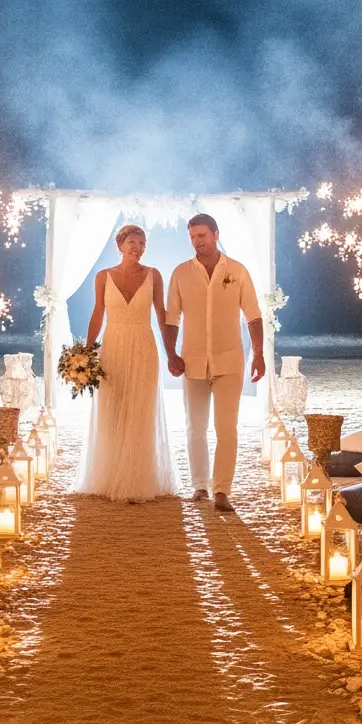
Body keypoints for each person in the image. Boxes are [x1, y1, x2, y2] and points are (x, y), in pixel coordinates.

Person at [164, 213, 265, 508]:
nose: (197, 242)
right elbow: (172, 318)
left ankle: (222, 490)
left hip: (230, 361)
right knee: (195, 427)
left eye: (202, 236)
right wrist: (171, 354)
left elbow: (253, 315)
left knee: (226, 427)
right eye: (193, 237)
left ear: (216, 234)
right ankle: (199, 487)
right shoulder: (181, 273)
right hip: (192, 362)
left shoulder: (237, 270)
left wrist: (257, 354)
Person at [78, 224, 176, 501]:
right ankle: (109, 476)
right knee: (113, 408)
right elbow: (98, 313)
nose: (138, 247)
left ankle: (136, 479)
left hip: (144, 345)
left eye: (142, 243)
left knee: (140, 410)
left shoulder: (154, 275)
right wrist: (86, 352)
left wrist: (171, 352)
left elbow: (162, 315)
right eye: (132, 241)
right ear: (120, 245)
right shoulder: (103, 277)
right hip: (113, 347)